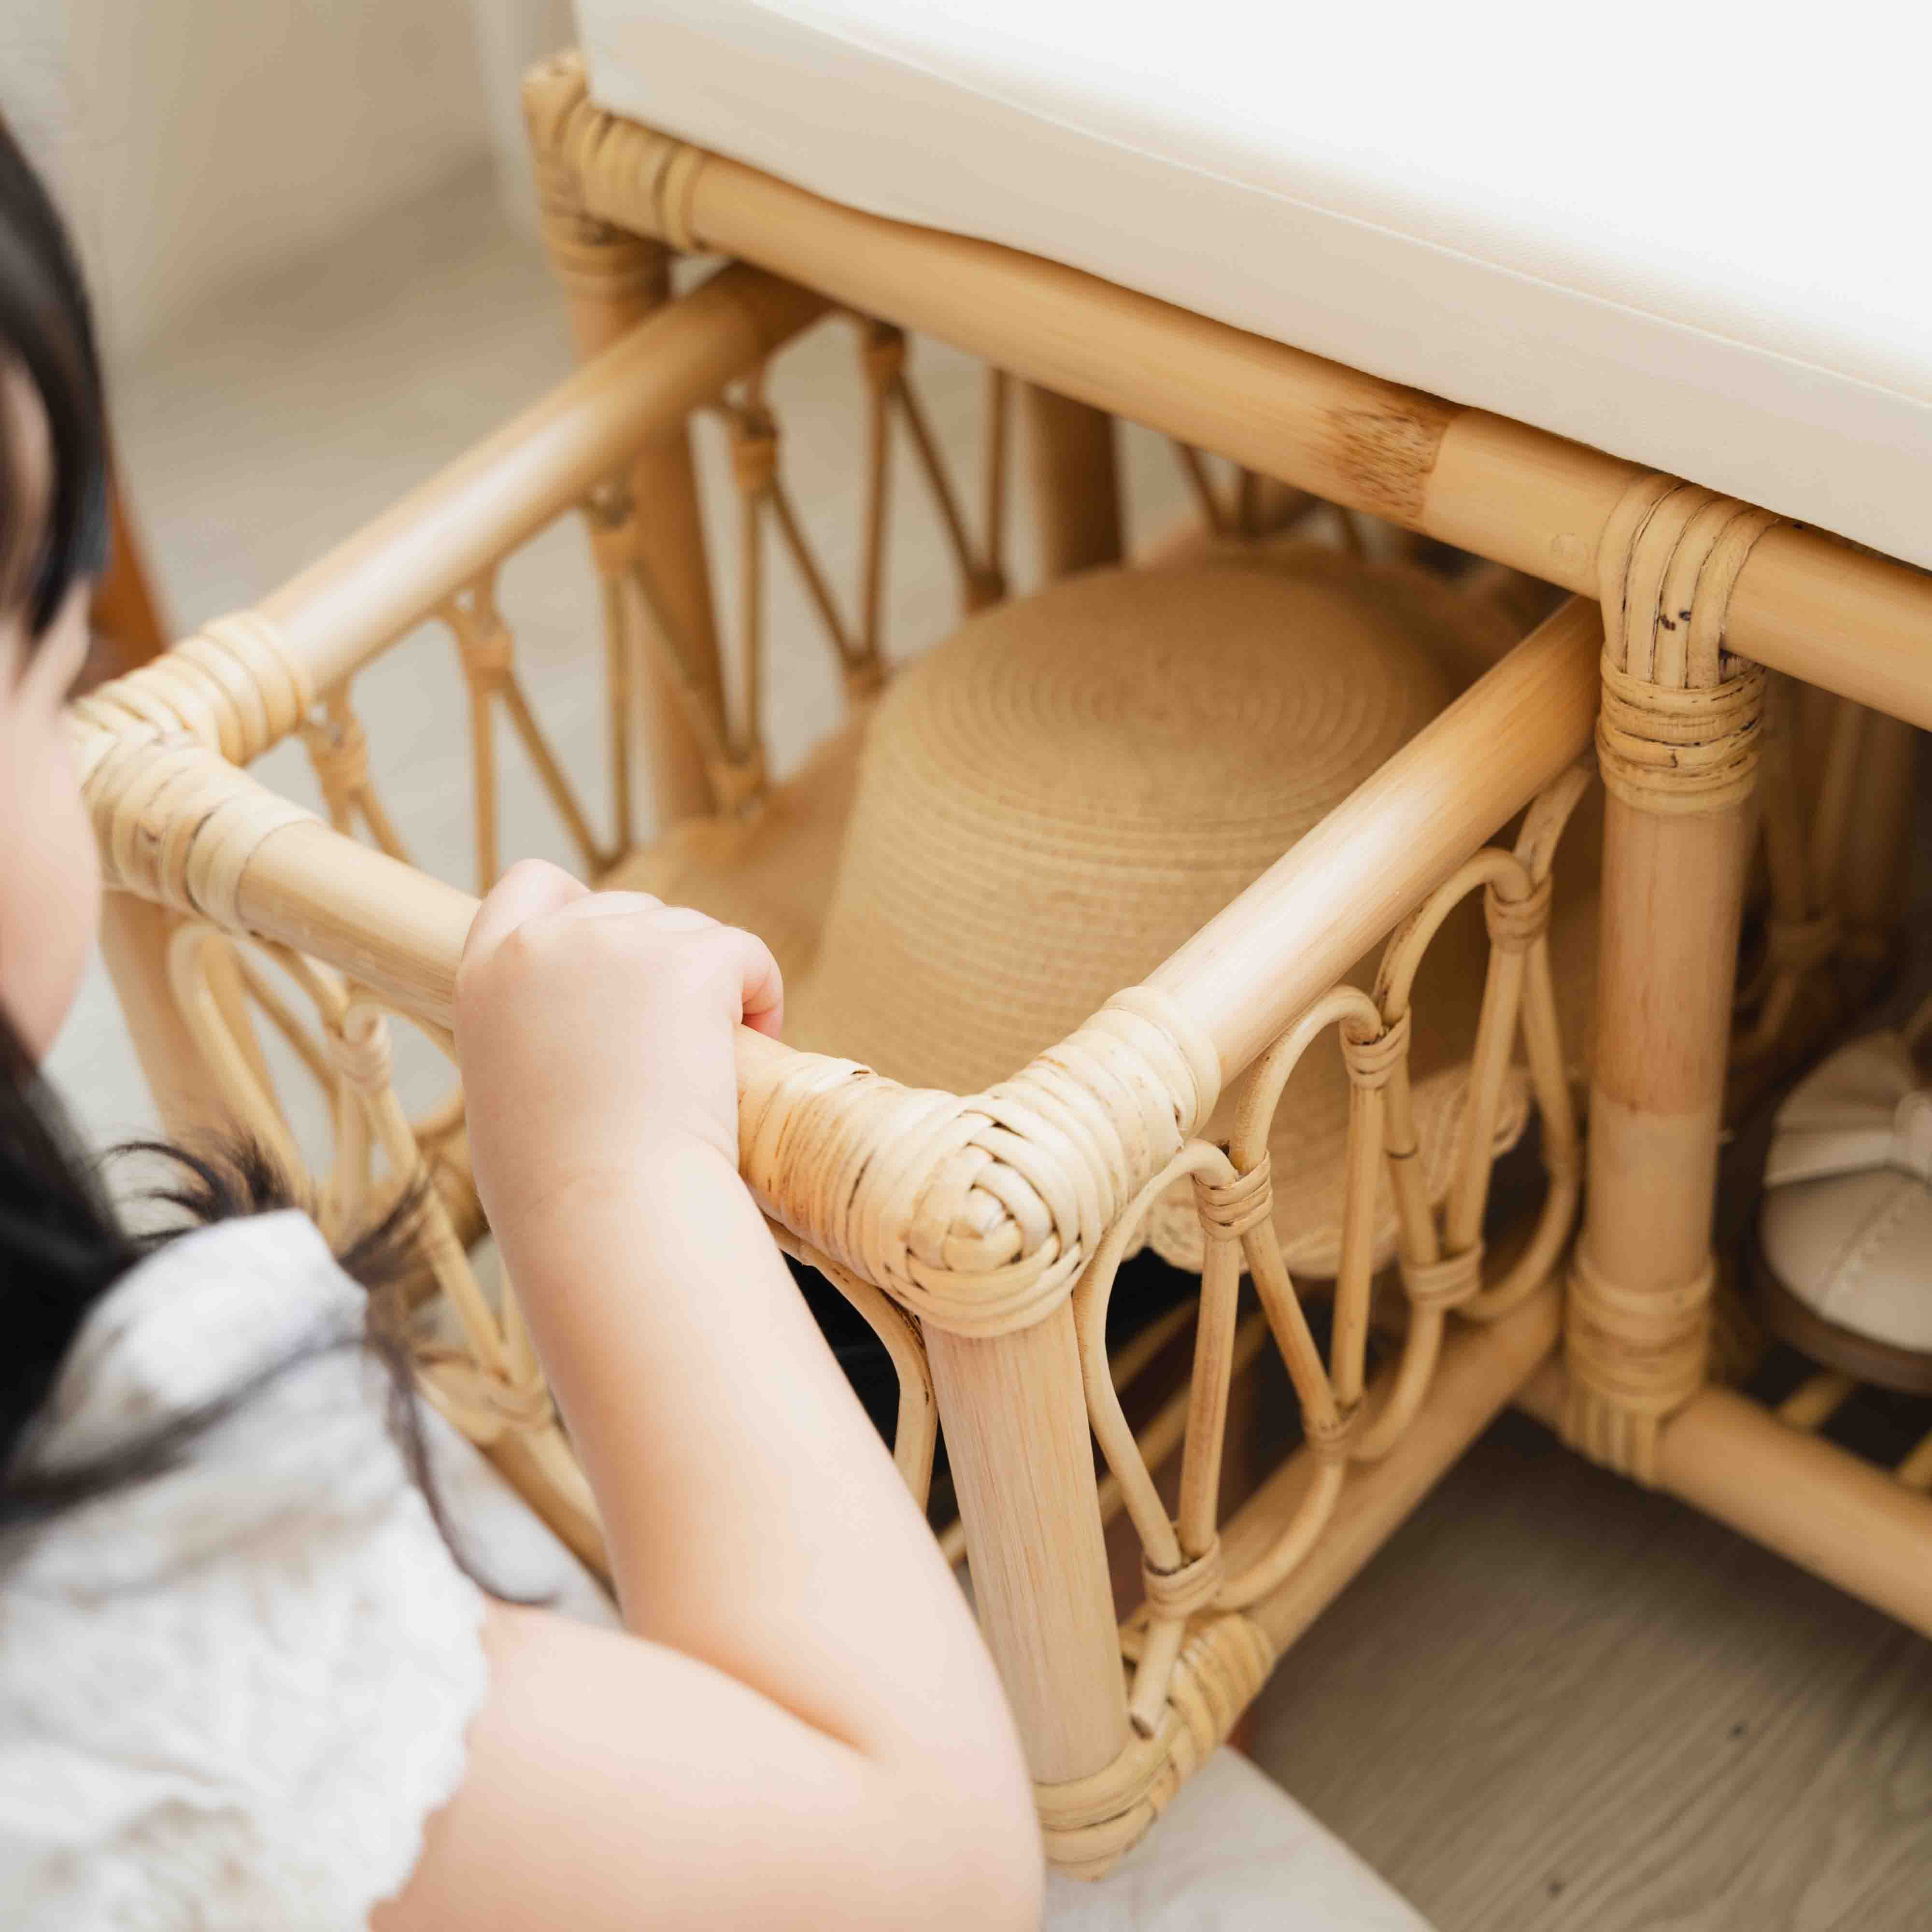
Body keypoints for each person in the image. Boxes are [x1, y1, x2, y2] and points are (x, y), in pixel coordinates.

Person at [0, 119, 1040, 1930]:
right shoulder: (121, 1626)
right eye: (46, 664)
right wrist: (612, 1182)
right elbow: (924, 1871)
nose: (79, 715)